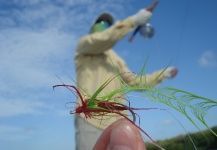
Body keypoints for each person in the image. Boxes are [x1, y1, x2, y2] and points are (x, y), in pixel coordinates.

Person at [74, 9, 178, 150]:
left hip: (120, 121)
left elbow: (136, 82)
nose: (103, 26)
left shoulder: (117, 59)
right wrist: (133, 21)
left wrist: (164, 74)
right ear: (92, 27)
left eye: (106, 25)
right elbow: (103, 39)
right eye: (101, 23)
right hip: (91, 120)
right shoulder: (84, 46)